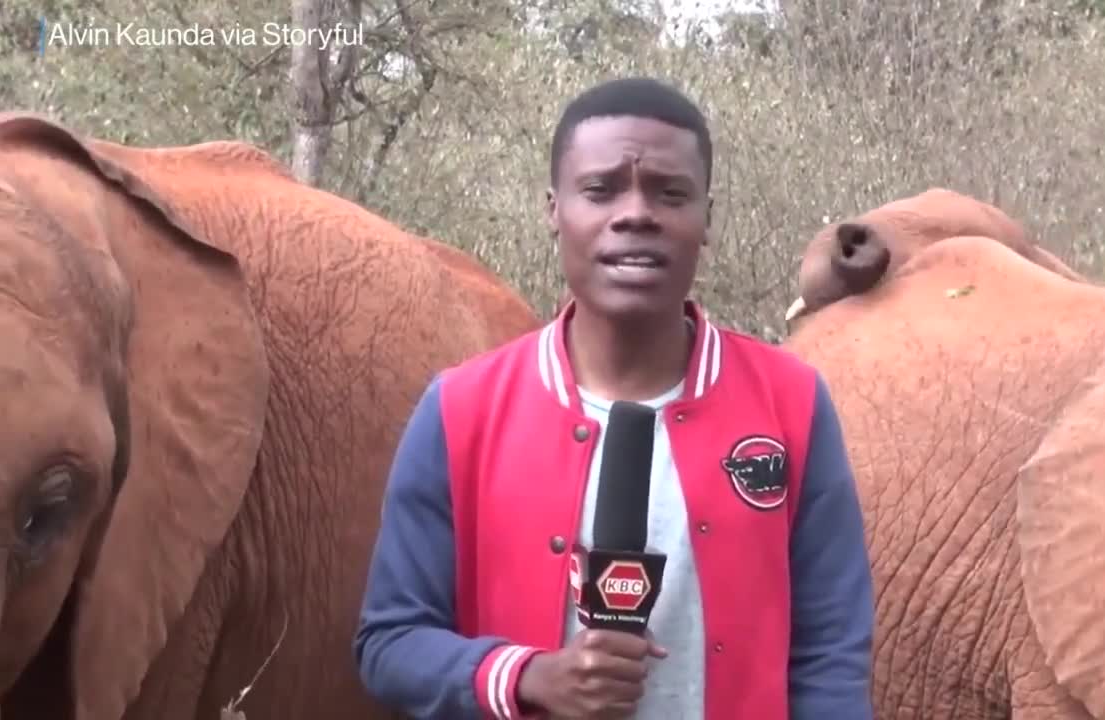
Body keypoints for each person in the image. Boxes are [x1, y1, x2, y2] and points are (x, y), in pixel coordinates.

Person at [353, 76, 876, 720]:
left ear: (706, 219)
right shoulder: (461, 410)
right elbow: (389, 641)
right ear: (554, 209)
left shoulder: (790, 404)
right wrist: (528, 676)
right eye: (600, 190)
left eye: (670, 193)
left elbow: (830, 650)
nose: (635, 214)